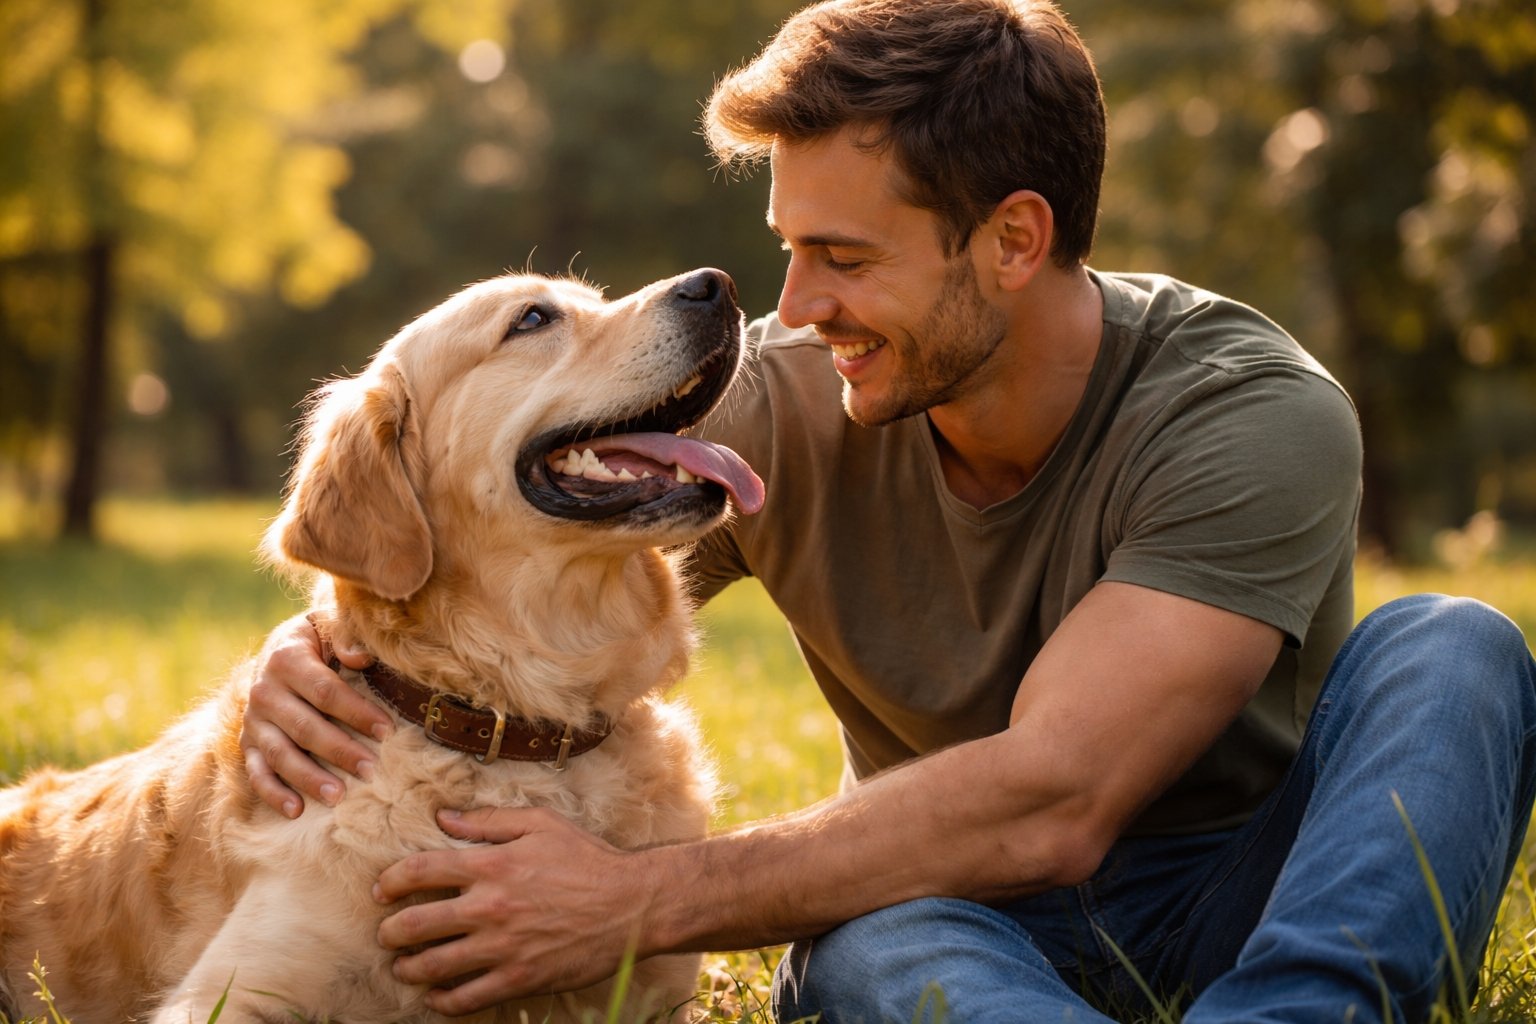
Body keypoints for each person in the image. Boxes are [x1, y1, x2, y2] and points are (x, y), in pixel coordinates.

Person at [240, 0, 1536, 1020]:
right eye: (790, 247)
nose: (794, 308)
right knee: (872, 951)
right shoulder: (784, 395)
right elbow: (492, 572)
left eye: (845, 259)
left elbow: (1058, 795)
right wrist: (329, 645)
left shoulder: (1249, 414)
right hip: (946, 904)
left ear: (1014, 242)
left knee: (1454, 646)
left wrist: (636, 900)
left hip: (1241, 882)